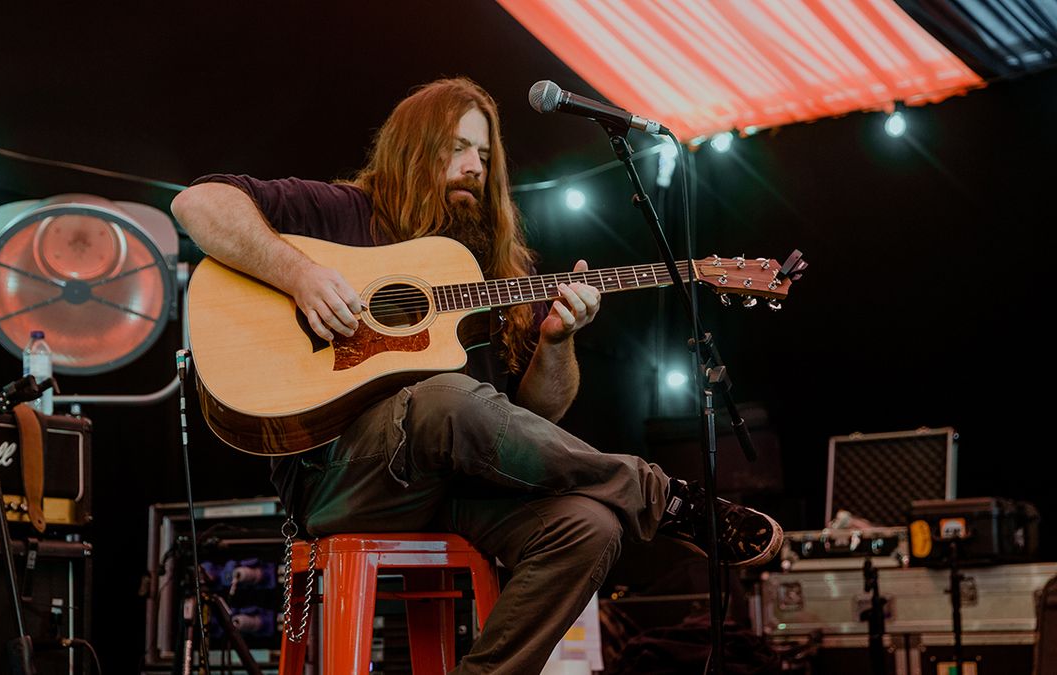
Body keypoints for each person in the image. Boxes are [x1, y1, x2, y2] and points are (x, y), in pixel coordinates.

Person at [171, 77, 782, 674]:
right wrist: (301, 276)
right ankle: (656, 494)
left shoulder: (488, 268)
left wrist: (557, 342)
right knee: (444, 397)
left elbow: (525, 426)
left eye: (486, 155)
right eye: (456, 148)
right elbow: (197, 202)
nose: (474, 167)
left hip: (452, 492)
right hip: (338, 481)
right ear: (412, 150)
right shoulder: (340, 212)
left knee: (588, 527)